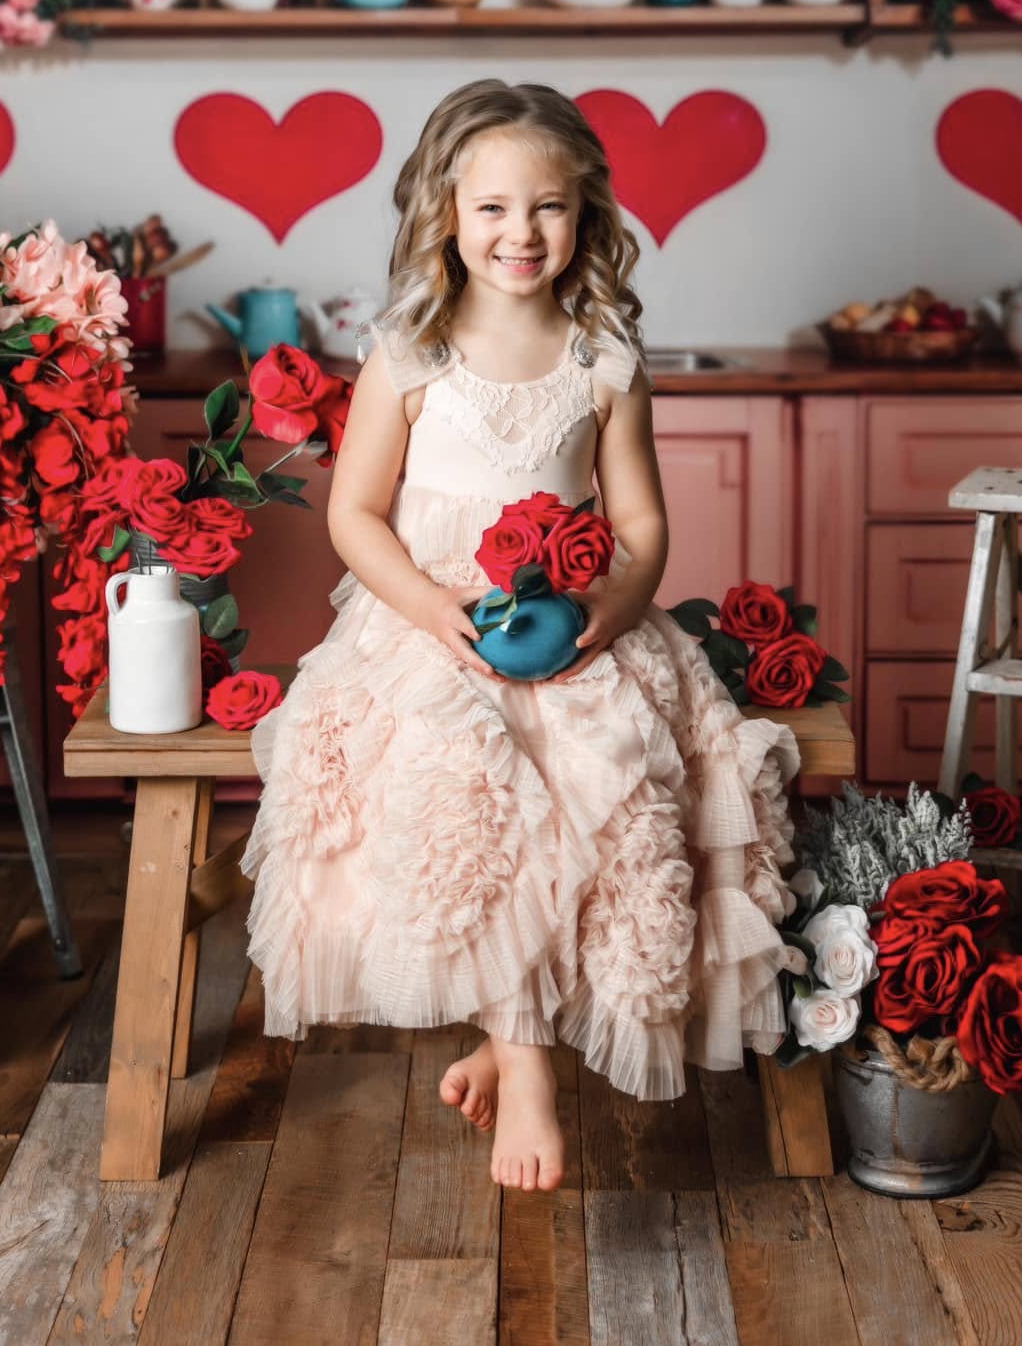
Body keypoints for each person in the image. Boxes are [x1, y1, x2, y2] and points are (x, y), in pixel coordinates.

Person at [243, 79, 799, 1191]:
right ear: (446, 212)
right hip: (430, 628)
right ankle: (532, 1071)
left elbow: (638, 522)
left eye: (548, 207)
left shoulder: (602, 359)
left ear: (585, 215)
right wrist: (431, 608)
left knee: (599, 785)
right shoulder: (408, 353)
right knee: (474, 782)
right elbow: (354, 514)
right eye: (493, 207)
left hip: (573, 625)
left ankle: (509, 1031)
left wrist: (609, 606)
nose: (521, 232)